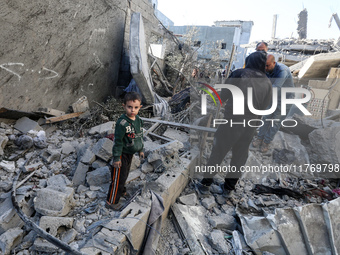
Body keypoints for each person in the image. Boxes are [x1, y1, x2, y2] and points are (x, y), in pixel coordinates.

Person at [197, 51, 272, 195]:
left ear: (249, 61)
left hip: (232, 121)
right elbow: (264, 107)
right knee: (239, 157)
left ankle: (205, 185)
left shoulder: (239, 74)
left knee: (218, 151)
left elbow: (223, 95)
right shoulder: (267, 82)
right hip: (251, 125)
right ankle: (228, 189)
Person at [106, 92, 144, 210]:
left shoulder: (138, 120)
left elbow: (139, 136)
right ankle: (111, 201)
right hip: (122, 154)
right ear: (124, 106)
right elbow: (118, 141)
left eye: (136, 107)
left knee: (124, 175)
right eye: (129, 107)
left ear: (140, 107)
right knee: (117, 178)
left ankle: (121, 191)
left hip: (130, 154)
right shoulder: (122, 123)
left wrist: (141, 150)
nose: (132, 110)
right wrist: (116, 158)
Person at [252, 54, 295, 153]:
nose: (265, 68)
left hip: (285, 99)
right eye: (264, 66)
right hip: (273, 96)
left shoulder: (282, 71)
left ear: (274, 63)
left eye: (267, 66)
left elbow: (275, 87)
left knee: (275, 121)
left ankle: (266, 142)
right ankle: (259, 138)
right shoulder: (265, 69)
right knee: (266, 117)